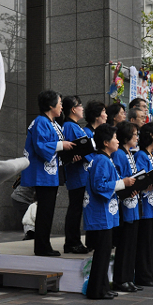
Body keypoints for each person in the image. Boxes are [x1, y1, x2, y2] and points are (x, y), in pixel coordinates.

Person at [84, 124, 135, 300]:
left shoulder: (106, 159)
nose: (118, 141)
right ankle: (96, 290)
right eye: (115, 138)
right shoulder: (102, 160)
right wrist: (123, 183)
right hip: (100, 214)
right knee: (102, 253)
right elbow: (100, 186)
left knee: (105, 253)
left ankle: (103, 287)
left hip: (106, 213)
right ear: (106, 142)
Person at [21, 90, 75, 257]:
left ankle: (44, 244)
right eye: (59, 103)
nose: (61, 106)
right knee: (45, 210)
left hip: (50, 172)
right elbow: (41, 146)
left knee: (48, 210)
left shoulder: (53, 123)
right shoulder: (41, 122)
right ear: (51, 106)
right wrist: (62, 146)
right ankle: (42, 246)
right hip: (42, 173)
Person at [111, 122, 142, 292]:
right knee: (124, 244)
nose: (137, 138)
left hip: (133, 203)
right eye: (135, 134)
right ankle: (120, 279)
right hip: (124, 204)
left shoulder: (130, 154)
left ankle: (129, 278)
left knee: (131, 244)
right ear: (126, 137)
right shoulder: (120, 155)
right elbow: (119, 178)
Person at [134, 122, 153, 286]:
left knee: (152, 241)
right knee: (145, 242)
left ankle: (152, 273)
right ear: (151, 136)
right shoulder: (141, 156)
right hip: (145, 204)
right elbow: (140, 179)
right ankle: (144, 275)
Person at [62, 96, 90, 254]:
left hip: (82, 173)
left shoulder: (75, 126)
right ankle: (72, 242)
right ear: (73, 109)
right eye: (80, 105)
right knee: (75, 208)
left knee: (77, 208)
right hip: (77, 174)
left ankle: (74, 241)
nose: (82, 108)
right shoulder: (69, 126)